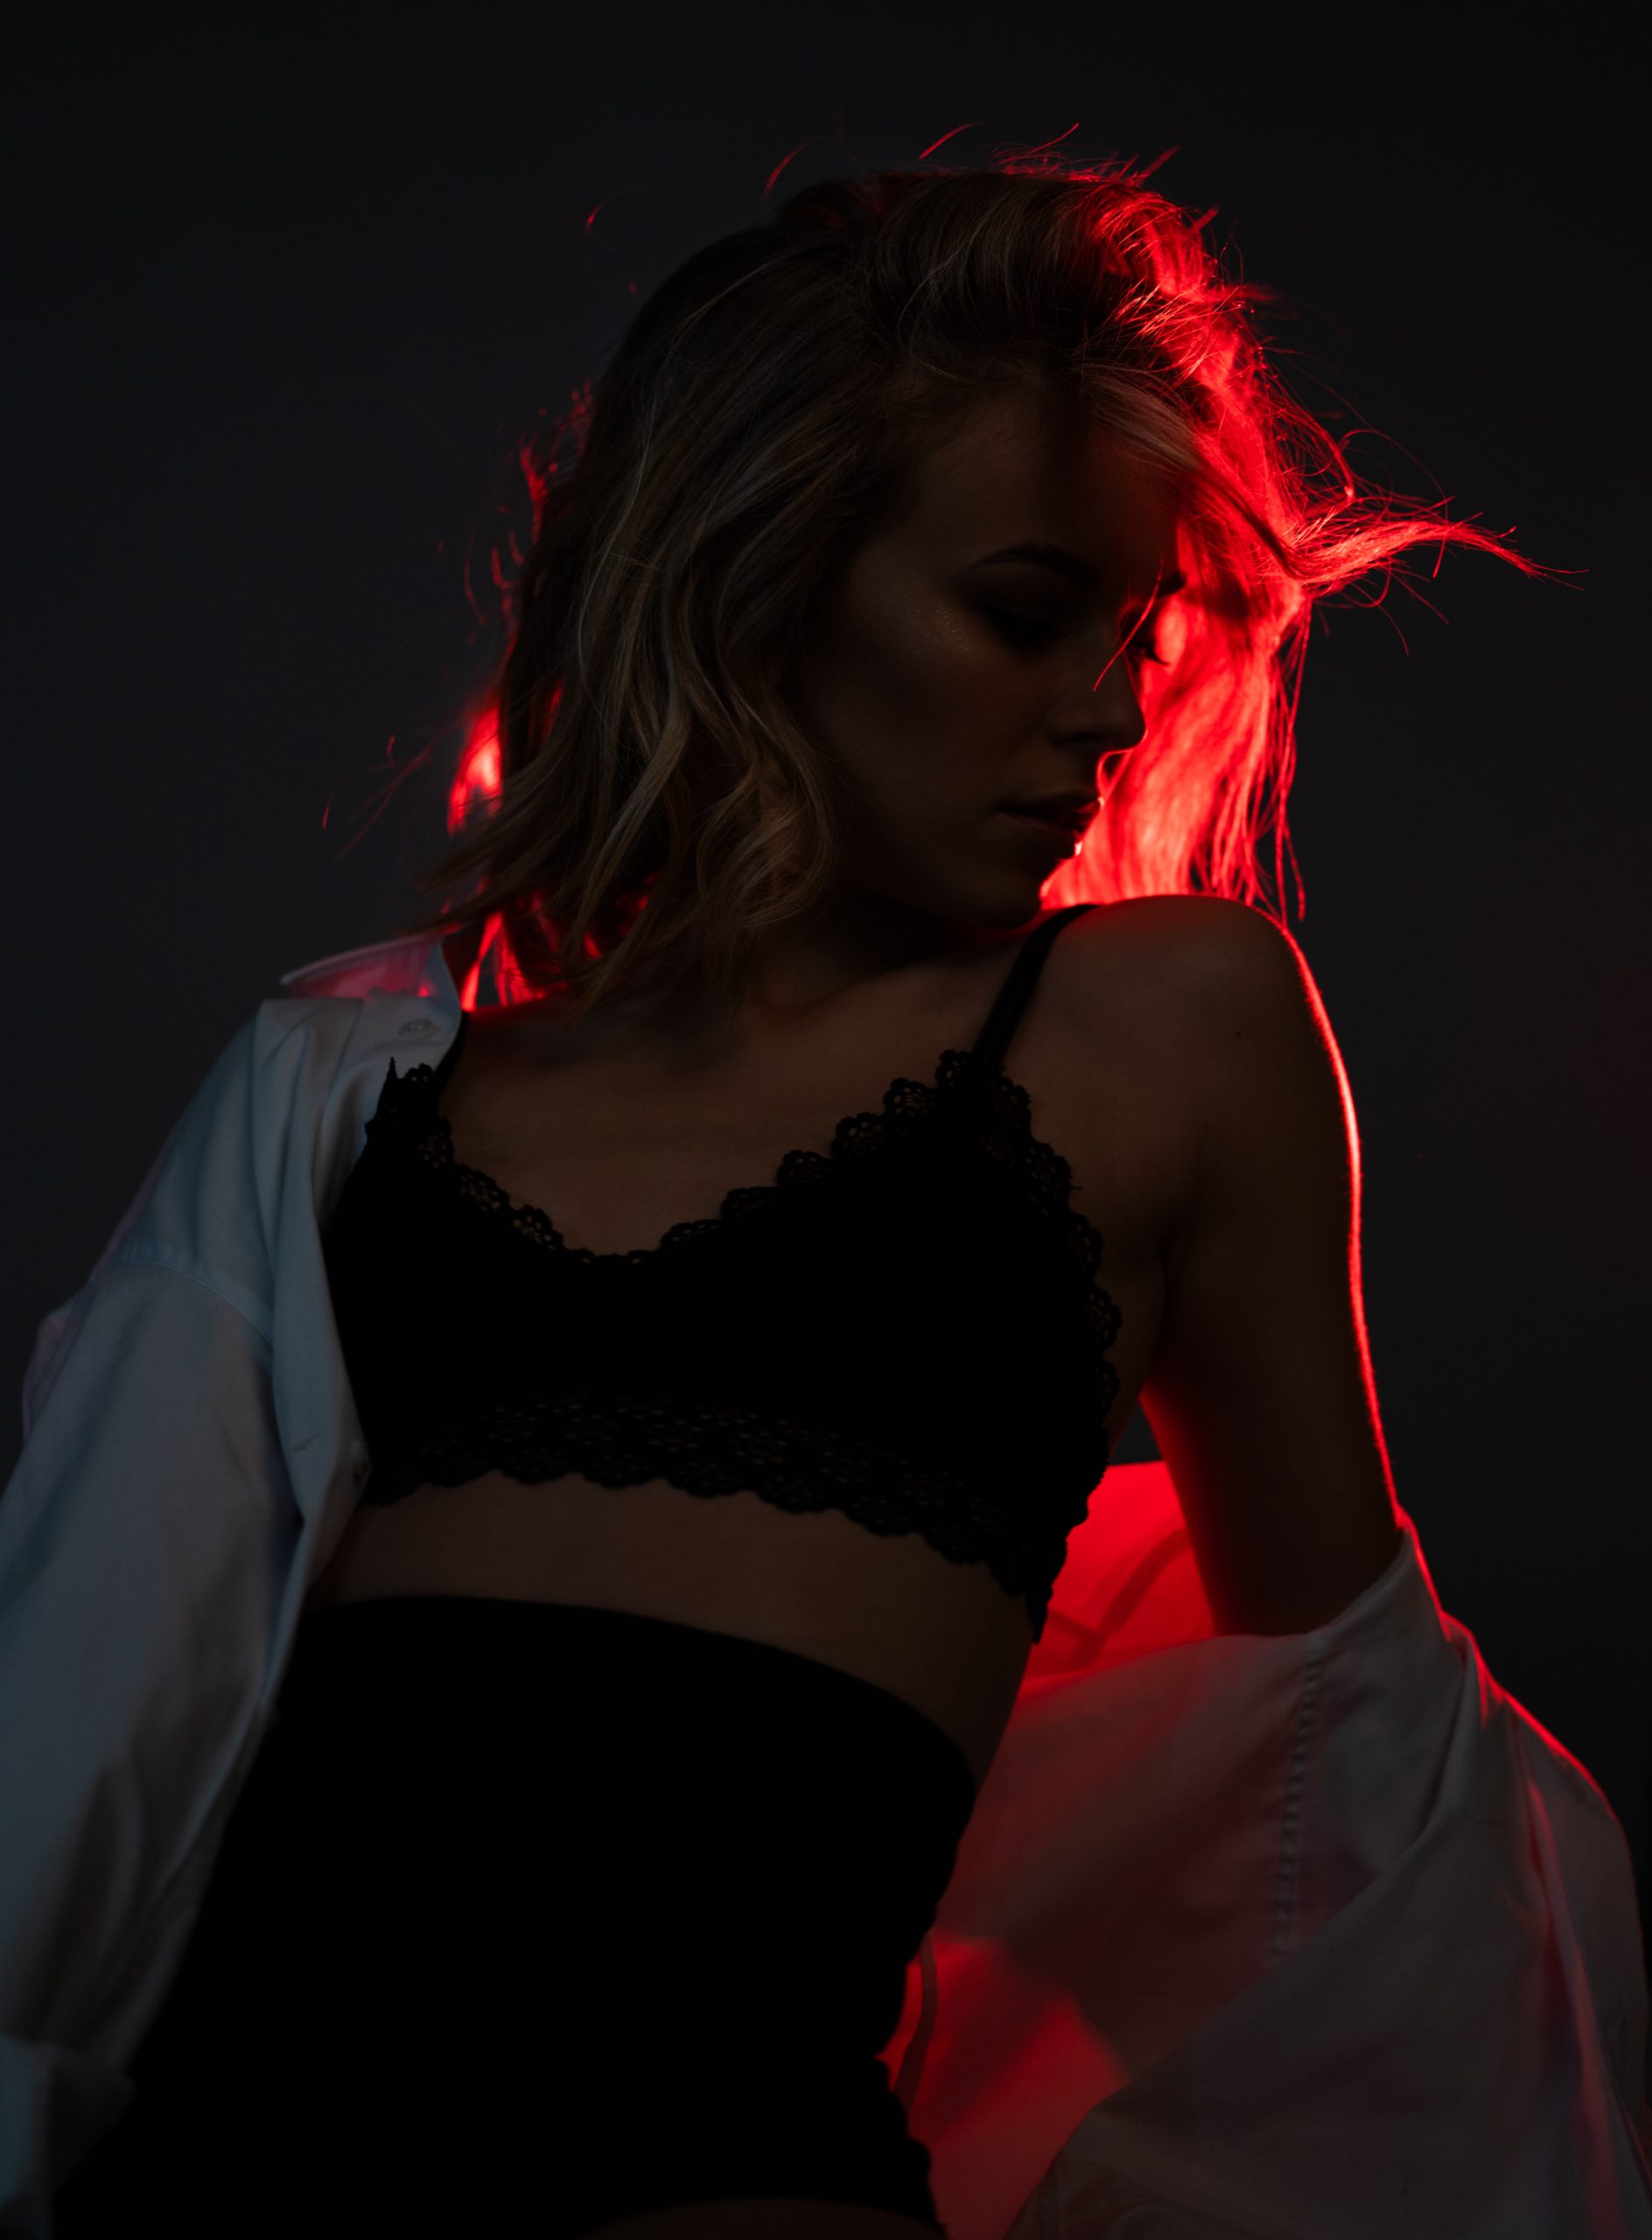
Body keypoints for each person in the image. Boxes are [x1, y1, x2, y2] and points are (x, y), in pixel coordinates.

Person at [10, 159, 1648, 2237]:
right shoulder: (343, 1083)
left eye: (1134, 630)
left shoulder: (1161, 1030)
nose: (1108, 706)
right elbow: (81, 1731)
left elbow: (1359, 1776)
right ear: (757, 569)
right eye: (1023, 609)